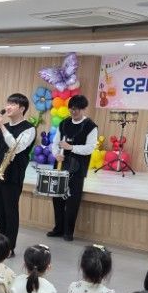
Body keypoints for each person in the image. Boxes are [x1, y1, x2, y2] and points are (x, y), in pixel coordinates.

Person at [0, 93, 36, 256]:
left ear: (22, 108)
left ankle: (9, 247)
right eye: (8, 103)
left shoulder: (29, 129)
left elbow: (16, 147)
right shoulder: (0, 128)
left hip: (13, 176)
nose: (8, 107)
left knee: (10, 212)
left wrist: (1, 126)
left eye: (13, 104)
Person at [47, 95, 98, 242]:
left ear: (83, 109)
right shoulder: (64, 123)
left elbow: (89, 148)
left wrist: (71, 147)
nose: (73, 112)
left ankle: (68, 232)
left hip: (77, 168)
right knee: (57, 198)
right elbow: (55, 142)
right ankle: (58, 228)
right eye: (71, 109)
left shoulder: (90, 126)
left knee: (72, 200)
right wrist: (56, 154)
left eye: (76, 109)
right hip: (60, 165)